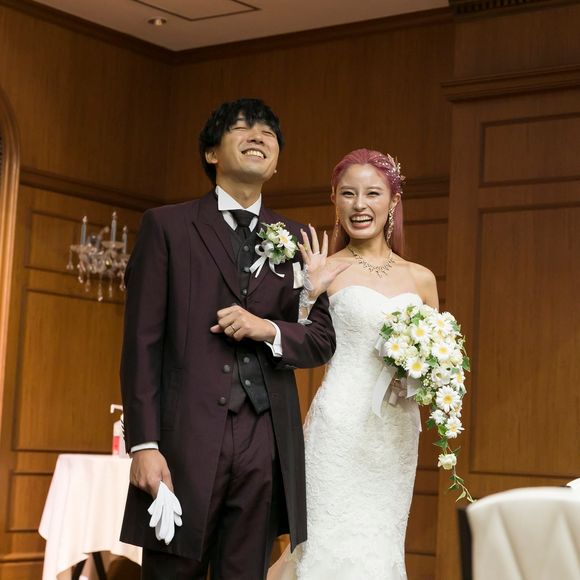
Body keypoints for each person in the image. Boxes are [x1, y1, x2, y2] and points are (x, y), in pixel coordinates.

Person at [119, 98, 337, 579]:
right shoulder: (168, 226)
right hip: (184, 439)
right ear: (212, 153)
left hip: (265, 439)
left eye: (268, 133)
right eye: (242, 128)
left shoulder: (295, 238)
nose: (258, 136)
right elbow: (141, 346)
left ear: (275, 164)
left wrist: (269, 328)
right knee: (173, 571)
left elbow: (320, 340)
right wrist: (144, 445)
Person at [269, 148, 438, 579]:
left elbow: (435, 361)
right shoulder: (325, 268)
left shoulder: (421, 278)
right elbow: (294, 348)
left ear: (393, 200)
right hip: (339, 427)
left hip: (396, 431)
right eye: (348, 194)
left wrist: (419, 380)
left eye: (372, 193)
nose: (359, 205)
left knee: (380, 546)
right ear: (335, 200)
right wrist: (308, 293)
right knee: (323, 545)